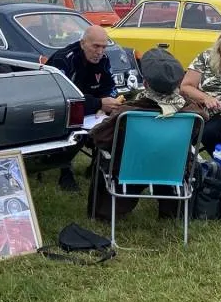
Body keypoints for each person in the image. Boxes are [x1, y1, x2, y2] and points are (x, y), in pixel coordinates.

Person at [87, 48, 207, 220]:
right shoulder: (194, 112)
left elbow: (99, 139)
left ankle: (103, 213)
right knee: (168, 155)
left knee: (104, 155)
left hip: (129, 170)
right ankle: (171, 211)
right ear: (177, 83)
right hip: (173, 169)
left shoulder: (127, 112)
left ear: (146, 83)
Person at [46, 26, 122, 190]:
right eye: (96, 46)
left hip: (91, 111)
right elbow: (63, 98)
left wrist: (110, 102)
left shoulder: (104, 59)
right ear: (82, 43)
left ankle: (97, 166)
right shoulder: (64, 59)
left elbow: (110, 87)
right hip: (60, 112)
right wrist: (99, 103)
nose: (100, 52)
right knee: (75, 128)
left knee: (116, 122)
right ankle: (65, 172)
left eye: (104, 47)